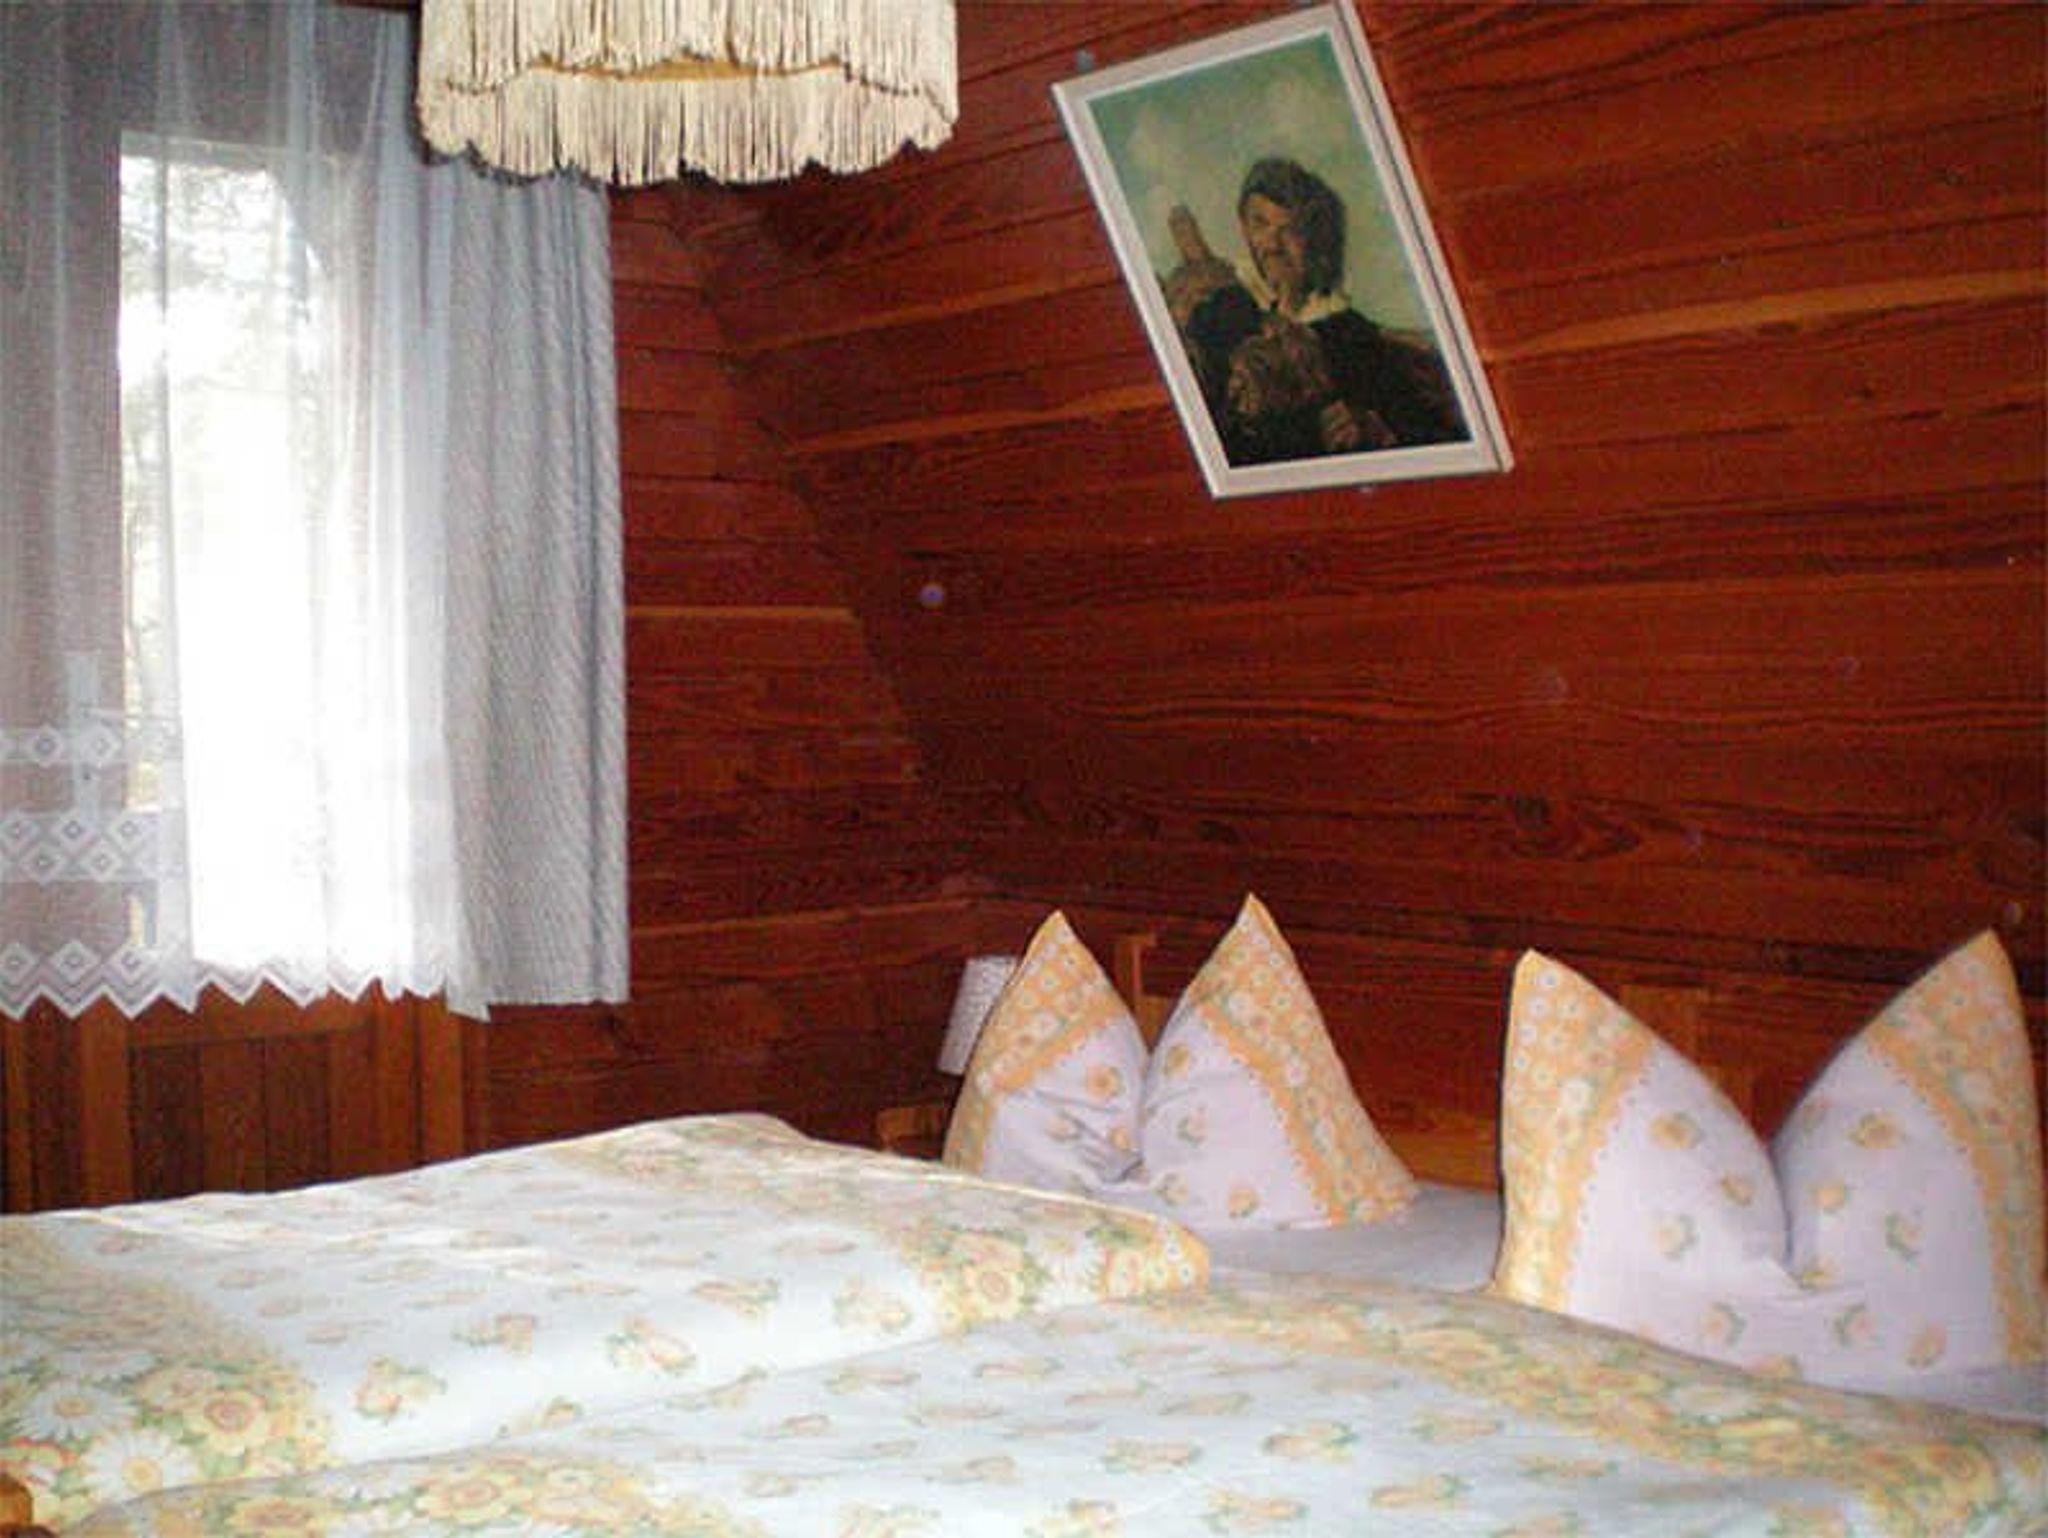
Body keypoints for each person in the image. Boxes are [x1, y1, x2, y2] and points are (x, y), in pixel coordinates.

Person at [1161, 157, 1466, 467]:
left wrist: (1374, 429)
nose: (1272, 244)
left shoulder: (1352, 336)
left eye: (1290, 230)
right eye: (1260, 224)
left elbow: (1433, 438)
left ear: (1315, 239)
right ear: (1243, 227)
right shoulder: (1222, 312)